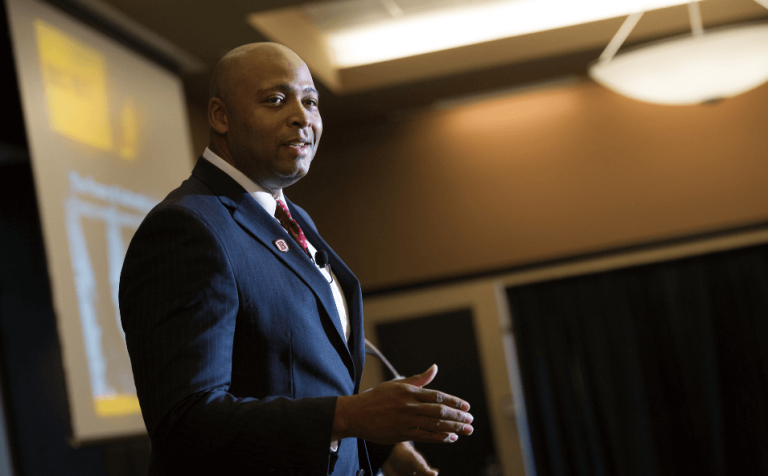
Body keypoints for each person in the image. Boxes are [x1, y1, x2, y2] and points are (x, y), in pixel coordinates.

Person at [118, 42, 473, 476]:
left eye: (311, 102)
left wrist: (377, 449)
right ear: (220, 116)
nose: (303, 116)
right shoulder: (188, 229)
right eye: (276, 99)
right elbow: (185, 422)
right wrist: (349, 416)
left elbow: (300, 381)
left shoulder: (293, 218)